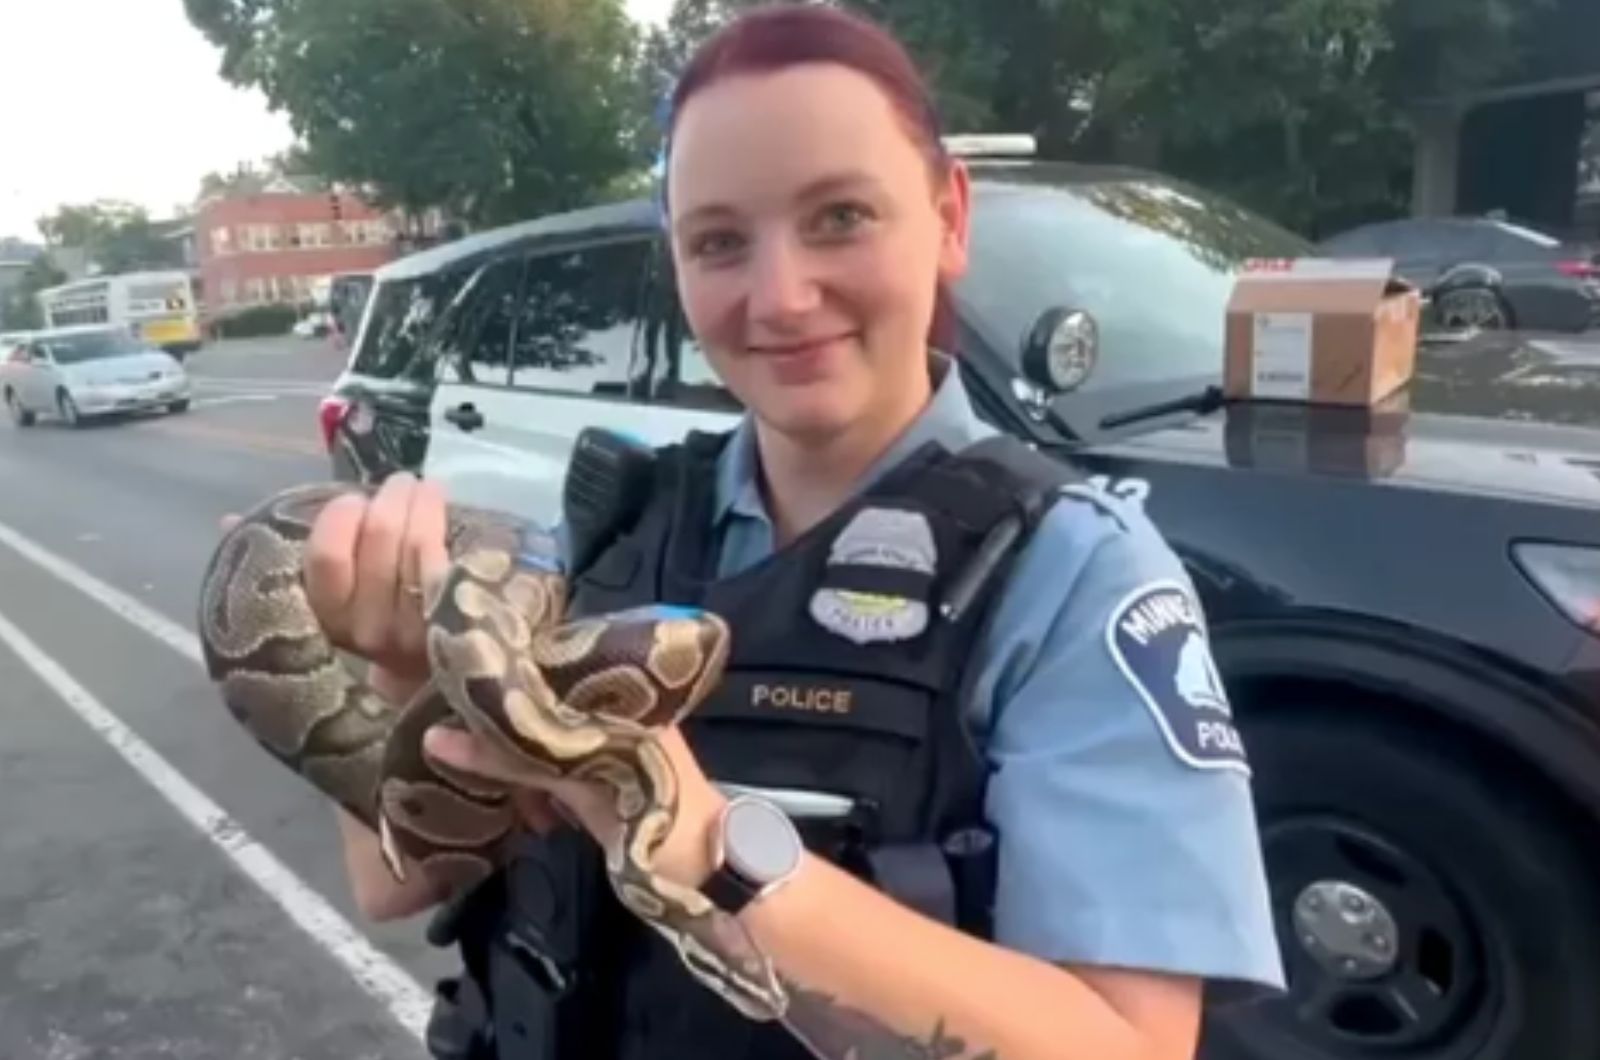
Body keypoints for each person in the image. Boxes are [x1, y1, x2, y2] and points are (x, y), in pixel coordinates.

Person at [301, 6, 1285, 1059]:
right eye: (719, 241)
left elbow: (1130, 1047)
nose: (780, 296)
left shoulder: (1068, 573)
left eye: (840, 217)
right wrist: (405, 681)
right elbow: (394, 881)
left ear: (949, 216)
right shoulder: (603, 532)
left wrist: (703, 846)